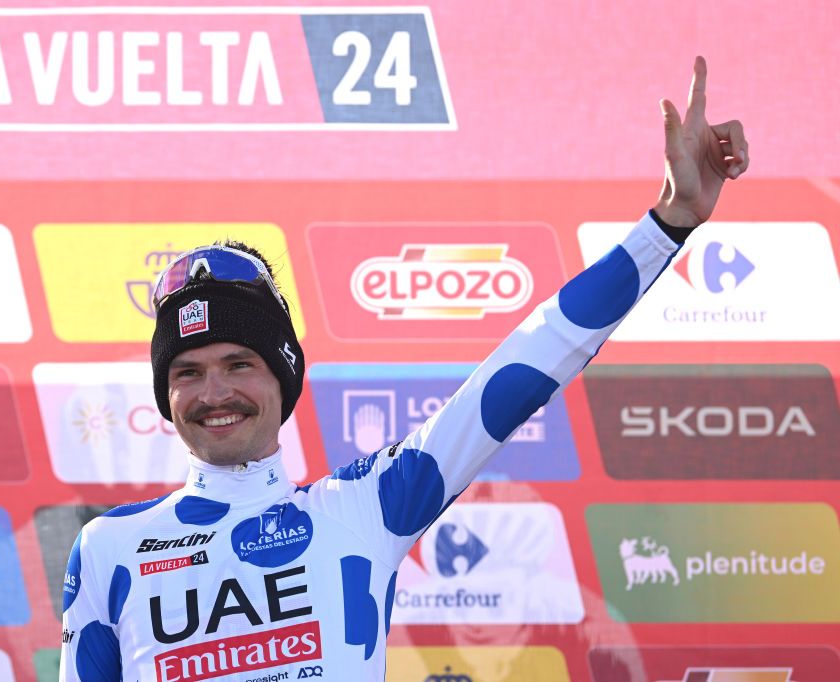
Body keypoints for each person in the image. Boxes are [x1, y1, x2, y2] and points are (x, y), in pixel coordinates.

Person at [58, 56, 748, 682]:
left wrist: (670, 223)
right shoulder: (108, 548)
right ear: (165, 393)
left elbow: (527, 364)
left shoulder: (366, 506)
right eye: (187, 372)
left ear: (284, 378)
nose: (214, 392)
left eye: (240, 363)